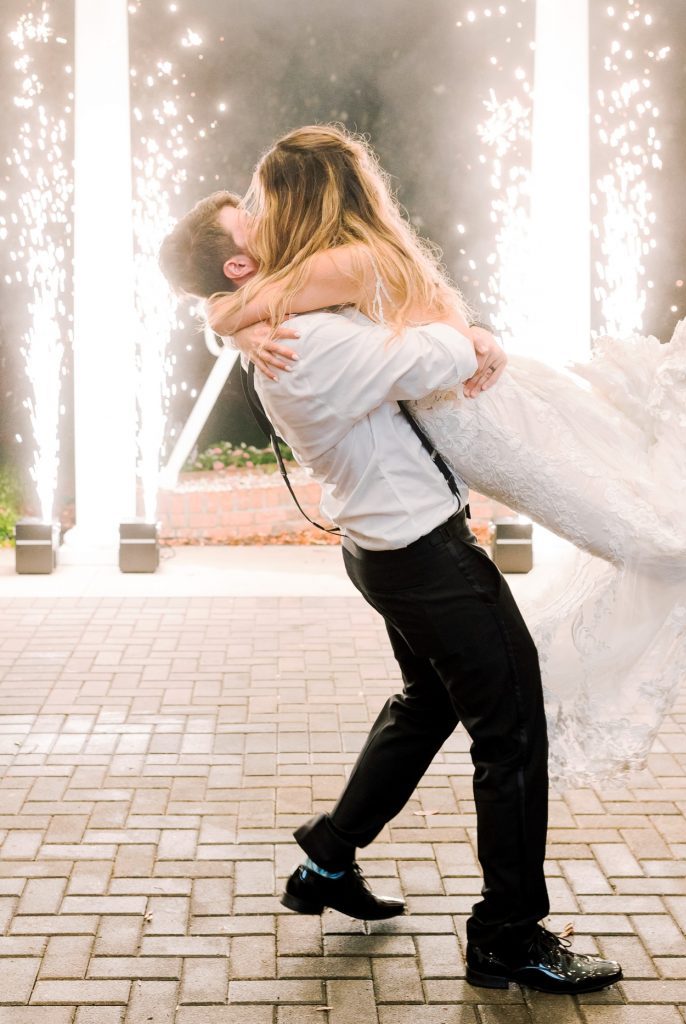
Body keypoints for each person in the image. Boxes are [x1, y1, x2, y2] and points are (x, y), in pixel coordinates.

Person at [160, 145, 629, 997]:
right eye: (249, 222)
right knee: (513, 731)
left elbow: (389, 324)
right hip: (427, 558)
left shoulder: (285, 325)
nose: (263, 220)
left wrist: (225, 315)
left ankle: (329, 863)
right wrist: (474, 336)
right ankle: (508, 936)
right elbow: (443, 358)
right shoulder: (310, 340)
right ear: (238, 262)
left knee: (429, 704)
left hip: (384, 552)